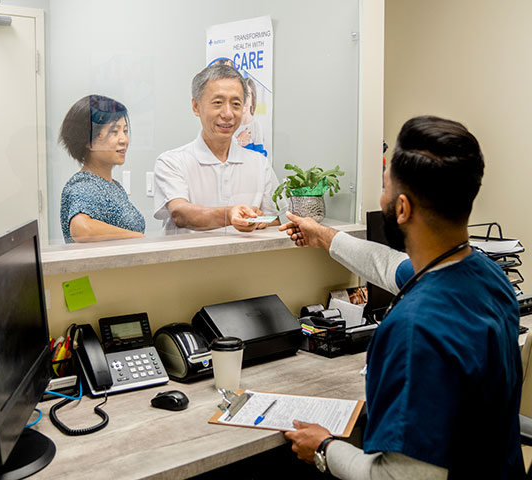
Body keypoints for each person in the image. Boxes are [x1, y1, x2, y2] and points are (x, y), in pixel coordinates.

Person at [281, 116, 524, 479]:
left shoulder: (415, 329)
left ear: (403, 208)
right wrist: (322, 235)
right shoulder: (487, 276)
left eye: (384, 189)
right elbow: (389, 265)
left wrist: (324, 448)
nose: (382, 200)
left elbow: (397, 477)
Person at [153, 64, 280, 235]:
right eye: (218, 103)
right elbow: (180, 214)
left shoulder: (260, 164)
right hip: (190, 261)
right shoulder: (172, 162)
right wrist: (230, 215)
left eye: (236, 104)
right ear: (196, 106)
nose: (228, 114)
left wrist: (259, 220)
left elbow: (274, 220)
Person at [58, 95, 145, 243]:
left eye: (125, 131)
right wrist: (137, 237)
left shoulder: (113, 186)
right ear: (89, 141)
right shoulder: (83, 185)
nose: (124, 139)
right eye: (114, 132)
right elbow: (82, 230)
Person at [234, 77, 267, 157]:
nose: (244, 99)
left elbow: (260, 157)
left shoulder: (255, 125)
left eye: (247, 95)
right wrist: (238, 142)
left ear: (253, 99)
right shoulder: (230, 124)